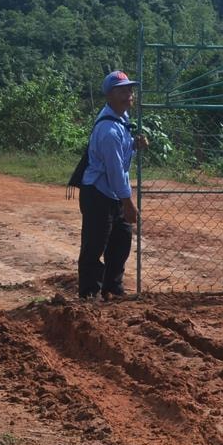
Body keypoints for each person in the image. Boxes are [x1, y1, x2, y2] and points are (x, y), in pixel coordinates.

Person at [78, 70, 148, 301]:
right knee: (95, 244)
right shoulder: (108, 130)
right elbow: (115, 170)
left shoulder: (121, 120)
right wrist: (128, 203)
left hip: (111, 191)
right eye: (122, 90)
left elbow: (120, 156)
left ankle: (112, 288)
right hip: (99, 193)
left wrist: (134, 145)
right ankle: (89, 293)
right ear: (109, 95)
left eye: (130, 90)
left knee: (120, 241)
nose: (129, 94)